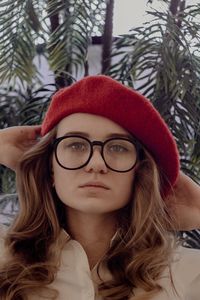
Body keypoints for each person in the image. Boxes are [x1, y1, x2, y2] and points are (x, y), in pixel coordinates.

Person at [0, 75, 200, 300]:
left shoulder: (186, 274)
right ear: (50, 167)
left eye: (118, 147)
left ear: (140, 171)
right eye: (75, 144)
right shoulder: (5, 258)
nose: (97, 164)